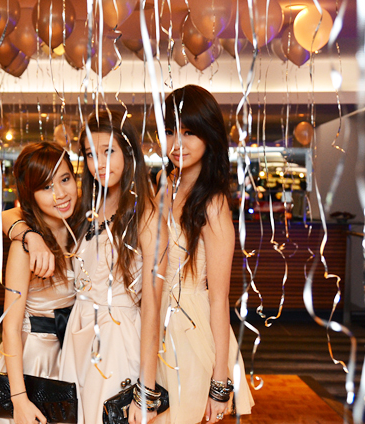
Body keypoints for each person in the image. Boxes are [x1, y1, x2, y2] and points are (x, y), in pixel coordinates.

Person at [59, 110, 167, 424]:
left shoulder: (146, 215)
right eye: (91, 154)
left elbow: (152, 307)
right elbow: (19, 212)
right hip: (78, 334)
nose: (100, 163)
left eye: (109, 151)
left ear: (128, 152)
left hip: (117, 337)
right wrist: (25, 233)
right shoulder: (85, 207)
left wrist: (146, 392)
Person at [155, 85, 254, 424]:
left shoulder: (213, 203)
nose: (177, 143)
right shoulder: (163, 183)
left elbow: (218, 297)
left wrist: (220, 380)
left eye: (189, 132)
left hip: (190, 330)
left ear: (209, 136)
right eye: (170, 131)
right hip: (153, 323)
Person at [0, 142, 78, 424]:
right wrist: (19, 399)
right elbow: (10, 327)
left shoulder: (81, 230)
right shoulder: (24, 247)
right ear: (30, 194)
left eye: (65, 179)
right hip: (35, 359)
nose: (60, 194)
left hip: (72, 354)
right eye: (46, 187)